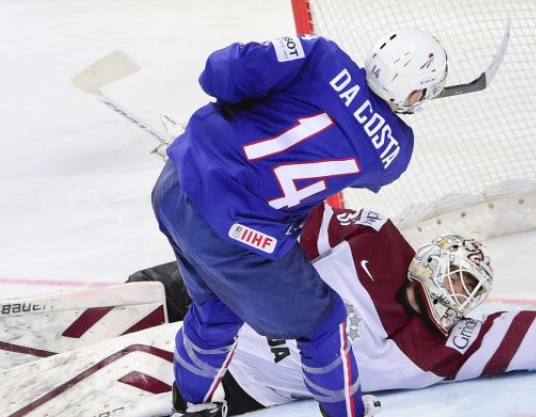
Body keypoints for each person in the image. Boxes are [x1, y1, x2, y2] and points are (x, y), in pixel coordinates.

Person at [151, 30, 448, 417]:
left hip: (177, 186)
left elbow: (218, 75)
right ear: (415, 95)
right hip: (237, 235)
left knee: (218, 306)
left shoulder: (318, 54)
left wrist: (224, 127)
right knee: (324, 322)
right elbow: (339, 152)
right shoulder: (395, 151)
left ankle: (192, 406)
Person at [131, 203, 536, 415]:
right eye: (456, 279)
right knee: (164, 282)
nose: (458, 298)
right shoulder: (373, 238)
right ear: (427, 266)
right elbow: (291, 224)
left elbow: (531, 338)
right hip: (227, 305)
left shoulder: (437, 349)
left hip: (248, 383)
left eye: (468, 292)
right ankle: (143, 302)